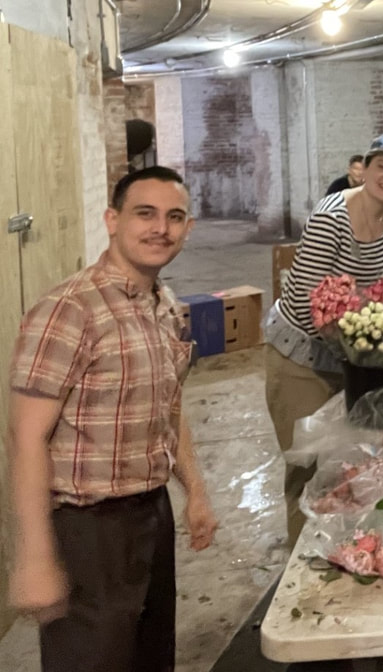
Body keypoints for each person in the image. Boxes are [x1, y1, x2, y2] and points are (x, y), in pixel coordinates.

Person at [6, 166, 218, 672]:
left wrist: (196, 492)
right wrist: (34, 555)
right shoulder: (69, 309)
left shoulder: (166, 307)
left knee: (151, 657)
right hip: (87, 528)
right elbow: (24, 436)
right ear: (112, 220)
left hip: (151, 513)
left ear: (188, 228)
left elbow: (169, 406)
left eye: (174, 217)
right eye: (144, 214)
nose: (159, 229)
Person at [265, 133, 383, 542]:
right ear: (363, 170)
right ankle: (302, 572)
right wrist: (362, 344)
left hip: (352, 358)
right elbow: (305, 300)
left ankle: (349, 550)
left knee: (356, 464)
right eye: (382, 167)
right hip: (302, 354)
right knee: (308, 466)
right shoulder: (331, 217)